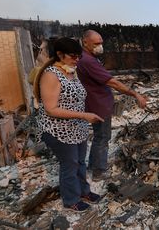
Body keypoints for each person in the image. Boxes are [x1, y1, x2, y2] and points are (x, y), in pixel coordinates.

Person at [36, 37, 104, 212]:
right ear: (59, 54)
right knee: (70, 164)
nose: (77, 60)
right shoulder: (51, 75)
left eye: (79, 56)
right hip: (58, 130)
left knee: (80, 161)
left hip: (77, 127)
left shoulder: (72, 71)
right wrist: (84, 115)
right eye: (73, 56)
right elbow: (51, 109)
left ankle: (83, 191)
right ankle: (71, 199)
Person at [77, 30, 147, 181]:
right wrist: (136, 94)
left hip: (96, 103)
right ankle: (99, 171)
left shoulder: (89, 58)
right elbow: (113, 82)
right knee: (103, 137)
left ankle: (93, 165)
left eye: (101, 43)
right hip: (98, 105)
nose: (100, 46)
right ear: (85, 43)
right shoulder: (88, 61)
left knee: (99, 137)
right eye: (96, 44)